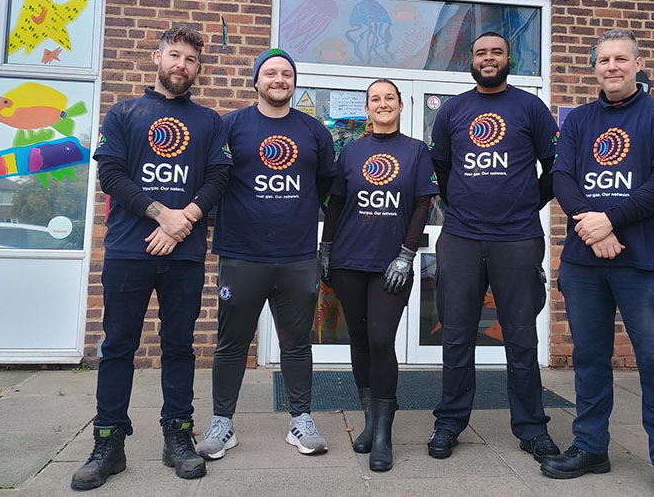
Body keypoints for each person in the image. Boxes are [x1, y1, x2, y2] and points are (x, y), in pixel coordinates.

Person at [71, 27, 232, 490]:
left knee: (179, 346)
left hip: (184, 256)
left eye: (191, 60)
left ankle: (177, 437)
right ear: (158, 57)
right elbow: (112, 176)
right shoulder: (123, 113)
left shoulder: (209, 122)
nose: (182, 65)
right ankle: (108, 444)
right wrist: (163, 215)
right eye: (175, 55)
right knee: (118, 346)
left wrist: (186, 220)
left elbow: (219, 177)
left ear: (198, 69)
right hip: (128, 251)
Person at [542, 29, 654, 497]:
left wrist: (609, 221)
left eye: (621, 59)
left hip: (645, 263)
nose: (612, 66)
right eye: (604, 59)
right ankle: (591, 447)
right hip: (585, 264)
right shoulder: (579, 119)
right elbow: (562, 177)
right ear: (595, 67)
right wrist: (592, 228)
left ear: (637, 62)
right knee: (589, 359)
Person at [196, 48, 336, 461]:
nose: (279, 79)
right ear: (256, 81)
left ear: (294, 82)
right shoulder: (231, 125)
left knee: (296, 343)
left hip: (296, 255)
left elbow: (328, 187)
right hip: (242, 253)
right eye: (271, 73)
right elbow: (213, 179)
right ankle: (222, 423)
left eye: (287, 73)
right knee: (232, 343)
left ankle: (301, 421)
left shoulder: (314, 131)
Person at [427, 32, 560, 462]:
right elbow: (440, 170)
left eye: (496, 52)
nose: (488, 59)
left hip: (518, 237)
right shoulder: (453, 110)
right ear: (472, 60)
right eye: (481, 53)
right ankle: (449, 424)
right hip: (461, 237)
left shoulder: (530, 107)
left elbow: (557, 166)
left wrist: (527, 202)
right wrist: (461, 205)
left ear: (509, 59)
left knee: (520, 337)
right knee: (457, 335)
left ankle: (531, 429)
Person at [318, 79, 438, 472]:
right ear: (367, 109)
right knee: (359, 338)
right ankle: (369, 421)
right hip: (350, 259)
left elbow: (423, 204)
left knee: (381, 339)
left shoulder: (416, 151)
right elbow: (336, 203)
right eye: (375, 100)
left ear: (401, 106)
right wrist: (326, 248)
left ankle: (385, 432)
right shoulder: (351, 150)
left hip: (392, 264)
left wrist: (406, 254)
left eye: (389, 98)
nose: (382, 104)